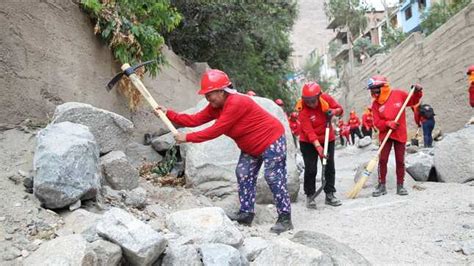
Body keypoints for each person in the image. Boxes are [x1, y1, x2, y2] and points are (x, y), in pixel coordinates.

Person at [155, 69, 293, 234]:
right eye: (205, 95)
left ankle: (285, 218)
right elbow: (194, 119)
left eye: (210, 94)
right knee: (243, 173)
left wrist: (187, 138)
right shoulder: (215, 106)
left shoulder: (236, 102)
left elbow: (216, 130)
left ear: (221, 91)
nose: (207, 98)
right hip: (251, 147)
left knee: (273, 177)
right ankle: (246, 213)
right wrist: (169, 114)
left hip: (271, 140)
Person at [367, 75, 423, 197]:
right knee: (382, 160)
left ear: (383, 87)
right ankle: (382, 185)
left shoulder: (398, 94)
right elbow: (376, 123)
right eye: (372, 91)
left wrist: (418, 92)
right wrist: (387, 123)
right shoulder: (375, 105)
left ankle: (400, 185)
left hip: (400, 133)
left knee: (400, 160)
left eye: (376, 90)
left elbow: (413, 100)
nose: (374, 93)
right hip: (385, 135)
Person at [297, 82, 344, 209]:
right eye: (308, 101)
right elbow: (309, 132)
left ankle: (329, 194)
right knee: (311, 168)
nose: (311, 104)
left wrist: (333, 111)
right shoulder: (302, 109)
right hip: (308, 142)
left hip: (328, 138)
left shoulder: (326, 99)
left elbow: (340, 110)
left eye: (313, 100)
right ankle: (310, 194)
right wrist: (318, 147)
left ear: (318, 97)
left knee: (329, 166)